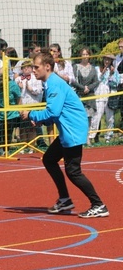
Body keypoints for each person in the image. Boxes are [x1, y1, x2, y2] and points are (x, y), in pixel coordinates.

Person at [20, 51, 109, 219]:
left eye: (36, 67)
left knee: (73, 171)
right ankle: (65, 199)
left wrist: (32, 114)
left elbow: (53, 111)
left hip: (73, 130)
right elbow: (56, 113)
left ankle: (98, 205)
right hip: (68, 129)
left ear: (47, 66)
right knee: (49, 159)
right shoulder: (51, 83)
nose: (33, 70)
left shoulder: (54, 84)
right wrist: (41, 120)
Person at [90, 53, 118, 143]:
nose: (107, 61)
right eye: (105, 59)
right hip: (99, 94)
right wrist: (103, 72)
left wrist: (112, 75)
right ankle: (91, 135)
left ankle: (108, 137)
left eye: (109, 60)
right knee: (97, 116)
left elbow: (116, 83)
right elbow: (96, 80)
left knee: (110, 117)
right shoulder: (97, 69)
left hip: (109, 95)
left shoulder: (114, 70)